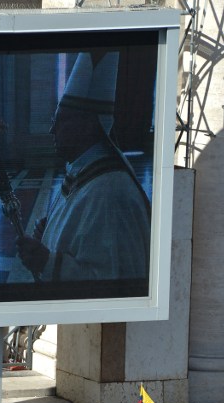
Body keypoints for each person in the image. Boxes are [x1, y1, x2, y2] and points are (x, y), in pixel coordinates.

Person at [17, 51, 150, 284]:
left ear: (89, 125)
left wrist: (45, 262)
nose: (51, 132)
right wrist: (48, 235)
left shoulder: (109, 193)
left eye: (60, 122)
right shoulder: (82, 172)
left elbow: (110, 285)